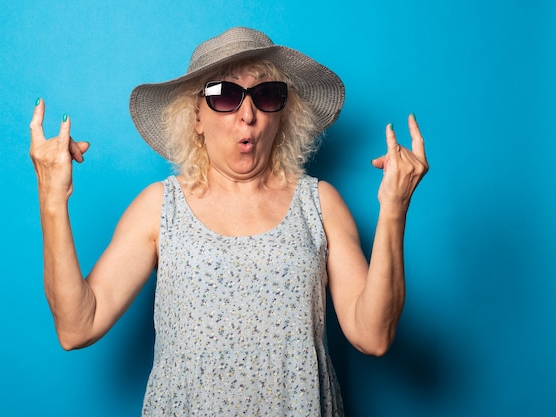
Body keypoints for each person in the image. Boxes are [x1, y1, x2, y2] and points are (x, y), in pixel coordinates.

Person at [29, 27, 428, 416]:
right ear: (196, 116)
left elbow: (373, 336)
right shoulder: (160, 207)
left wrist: (394, 208)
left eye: (267, 95)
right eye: (225, 96)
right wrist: (52, 197)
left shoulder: (319, 204)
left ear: (284, 115)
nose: (248, 115)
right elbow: (77, 326)